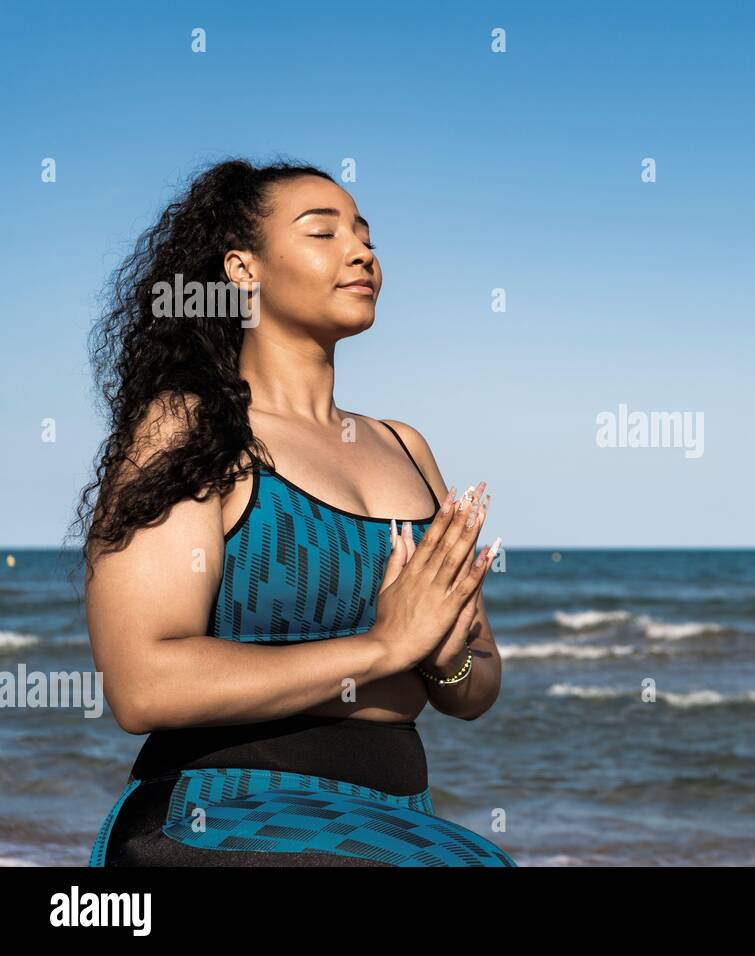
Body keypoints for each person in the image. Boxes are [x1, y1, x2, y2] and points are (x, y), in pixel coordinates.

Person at [77, 158, 515, 866]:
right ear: (242, 270)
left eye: (366, 234)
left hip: (401, 814)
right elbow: (142, 683)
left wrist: (444, 657)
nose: (361, 250)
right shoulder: (189, 429)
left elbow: (478, 682)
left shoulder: (405, 447)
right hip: (223, 807)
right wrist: (384, 647)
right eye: (323, 232)